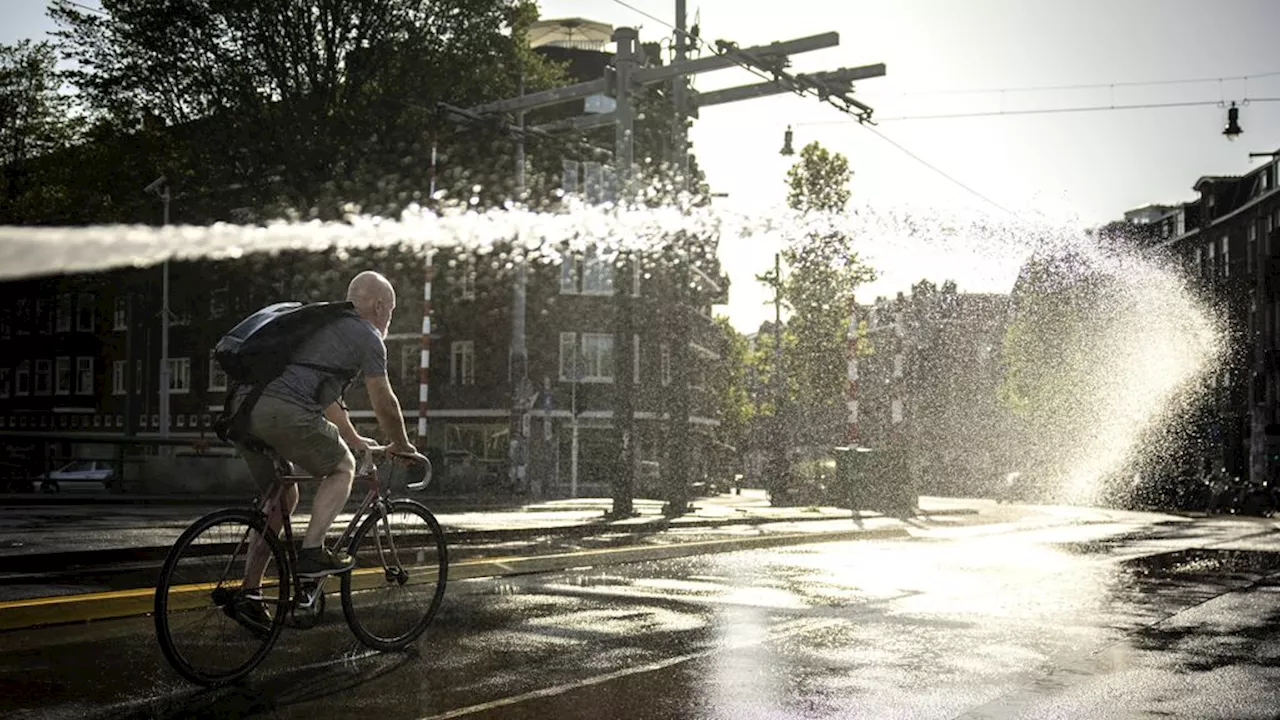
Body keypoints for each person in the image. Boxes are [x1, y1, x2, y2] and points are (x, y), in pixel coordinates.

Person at [229, 270, 422, 632]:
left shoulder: (324, 326)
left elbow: (325, 397)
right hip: (281, 410)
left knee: (282, 496)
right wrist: (402, 443)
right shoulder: (366, 335)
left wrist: (354, 437)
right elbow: (383, 398)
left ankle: (250, 595)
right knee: (342, 467)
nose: (390, 319)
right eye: (391, 311)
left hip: (242, 411)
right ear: (380, 306)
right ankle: (312, 552)